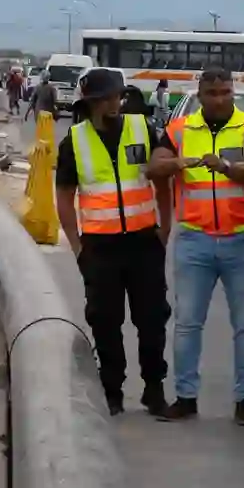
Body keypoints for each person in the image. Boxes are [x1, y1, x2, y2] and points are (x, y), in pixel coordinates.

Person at [149, 66, 244, 426]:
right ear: (200, 95)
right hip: (194, 239)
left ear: (233, 92)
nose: (219, 99)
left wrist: (224, 166)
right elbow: (153, 167)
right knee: (188, 323)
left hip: (243, 239)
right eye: (212, 93)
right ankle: (186, 397)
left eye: (225, 92)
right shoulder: (180, 130)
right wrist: (176, 162)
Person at [56, 67, 172, 416]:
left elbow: (162, 180)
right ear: (89, 103)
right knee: (105, 322)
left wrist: (165, 229)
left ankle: (154, 389)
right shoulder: (73, 141)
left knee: (151, 320)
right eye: (104, 98)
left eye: (116, 96)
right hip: (100, 247)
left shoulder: (143, 128)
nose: (112, 103)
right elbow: (64, 196)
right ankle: (112, 391)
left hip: (143, 243)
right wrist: (77, 247)